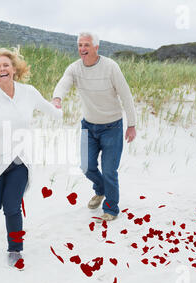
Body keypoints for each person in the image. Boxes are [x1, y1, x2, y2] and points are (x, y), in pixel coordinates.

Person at [0, 47, 62, 268]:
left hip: (21, 161)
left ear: (13, 69)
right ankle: (1, 200)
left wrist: (58, 107)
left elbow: (52, 111)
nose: (1, 69)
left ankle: (15, 249)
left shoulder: (29, 92)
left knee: (12, 206)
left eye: (5, 65)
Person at [52, 31, 136, 222]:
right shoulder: (75, 68)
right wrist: (57, 98)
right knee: (86, 166)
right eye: (80, 45)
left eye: (87, 45)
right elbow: (64, 82)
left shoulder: (111, 67)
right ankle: (101, 190)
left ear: (96, 47)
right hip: (88, 126)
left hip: (112, 127)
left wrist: (131, 124)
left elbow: (126, 96)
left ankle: (111, 208)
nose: (82, 49)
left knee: (109, 170)